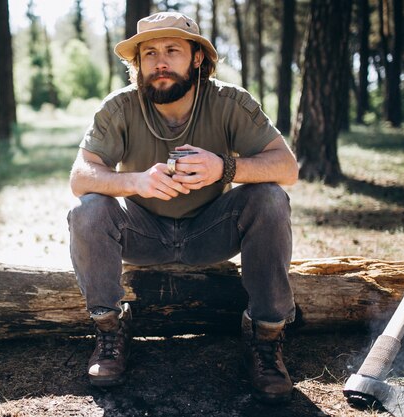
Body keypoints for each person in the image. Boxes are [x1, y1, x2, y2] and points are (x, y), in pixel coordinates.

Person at [67, 11, 298, 404]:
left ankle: (266, 337)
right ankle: (110, 329)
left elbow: (287, 167)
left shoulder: (230, 102)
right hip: (143, 233)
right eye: (149, 53)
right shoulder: (120, 106)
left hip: (212, 230)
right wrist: (133, 181)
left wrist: (224, 168)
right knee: (89, 209)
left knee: (271, 197)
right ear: (137, 64)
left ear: (197, 58)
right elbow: (80, 176)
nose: (159, 62)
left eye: (172, 50)